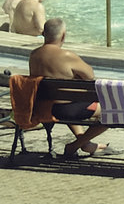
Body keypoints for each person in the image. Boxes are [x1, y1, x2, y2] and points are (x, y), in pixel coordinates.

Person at [27, 20, 113, 157]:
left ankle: (85, 143)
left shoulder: (34, 55)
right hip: (66, 109)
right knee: (113, 112)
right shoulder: (67, 56)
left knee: (67, 98)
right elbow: (90, 75)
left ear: (44, 34)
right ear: (63, 35)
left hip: (43, 106)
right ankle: (74, 145)